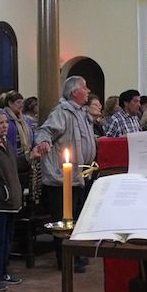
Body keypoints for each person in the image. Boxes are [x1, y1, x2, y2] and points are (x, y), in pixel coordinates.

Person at [0, 109, 45, 291]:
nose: (5, 125)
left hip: (9, 201)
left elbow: (16, 164)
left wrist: (31, 156)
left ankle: (2, 272)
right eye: (0, 122)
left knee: (6, 241)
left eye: (6, 122)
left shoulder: (5, 142)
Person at [34, 76, 97, 273]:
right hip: (61, 179)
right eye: (85, 88)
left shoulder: (81, 112)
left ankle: (75, 254)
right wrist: (43, 142)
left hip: (80, 176)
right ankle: (66, 260)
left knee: (76, 217)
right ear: (74, 92)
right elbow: (45, 131)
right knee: (64, 221)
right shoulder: (61, 112)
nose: (88, 91)